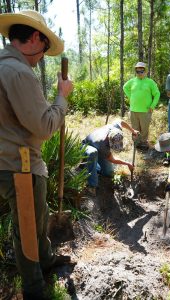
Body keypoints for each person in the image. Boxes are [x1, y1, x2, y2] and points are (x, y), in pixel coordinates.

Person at [0, 10, 73, 300]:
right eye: (43, 49)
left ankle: (45, 260)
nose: (42, 56)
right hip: (21, 166)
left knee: (37, 220)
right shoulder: (18, 72)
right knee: (27, 230)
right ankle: (34, 291)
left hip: (11, 162)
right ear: (33, 38)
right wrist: (62, 97)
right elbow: (44, 126)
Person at [82, 119, 139, 195]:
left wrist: (133, 130)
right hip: (87, 147)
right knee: (93, 153)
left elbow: (120, 121)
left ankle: (91, 165)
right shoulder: (102, 144)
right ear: (109, 139)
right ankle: (92, 186)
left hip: (98, 150)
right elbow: (112, 159)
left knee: (109, 173)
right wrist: (127, 163)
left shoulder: (115, 129)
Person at [123, 62, 160, 150]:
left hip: (146, 110)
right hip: (133, 110)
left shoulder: (150, 82)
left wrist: (152, 106)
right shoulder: (132, 81)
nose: (139, 73)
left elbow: (157, 94)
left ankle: (143, 143)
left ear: (146, 71)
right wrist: (130, 97)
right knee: (135, 128)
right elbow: (124, 87)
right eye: (137, 71)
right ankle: (136, 143)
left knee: (144, 129)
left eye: (141, 71)